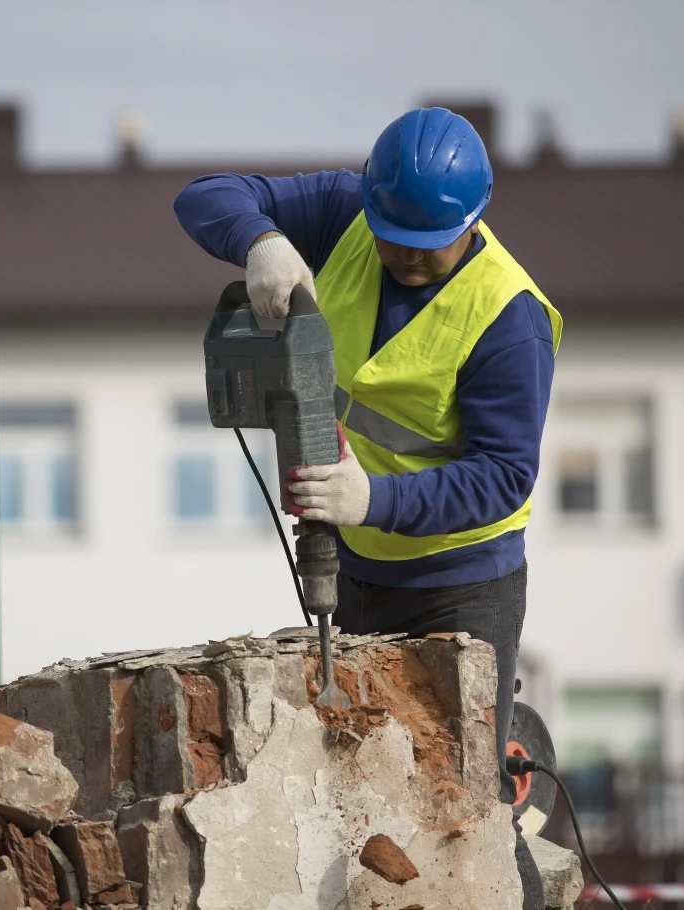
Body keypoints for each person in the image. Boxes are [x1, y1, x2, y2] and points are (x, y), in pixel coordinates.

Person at [173, 107, 561, 909]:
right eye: (393, 238)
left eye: (427, 247)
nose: (404, 259)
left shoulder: (508, 318)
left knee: (464, 802)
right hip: (358, 569)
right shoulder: (347, 213)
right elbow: (204, 196)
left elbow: (502, 477)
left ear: (472, 222)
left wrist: (371, 498)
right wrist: (261, 240)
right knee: (360, 787)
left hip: (465, 582)